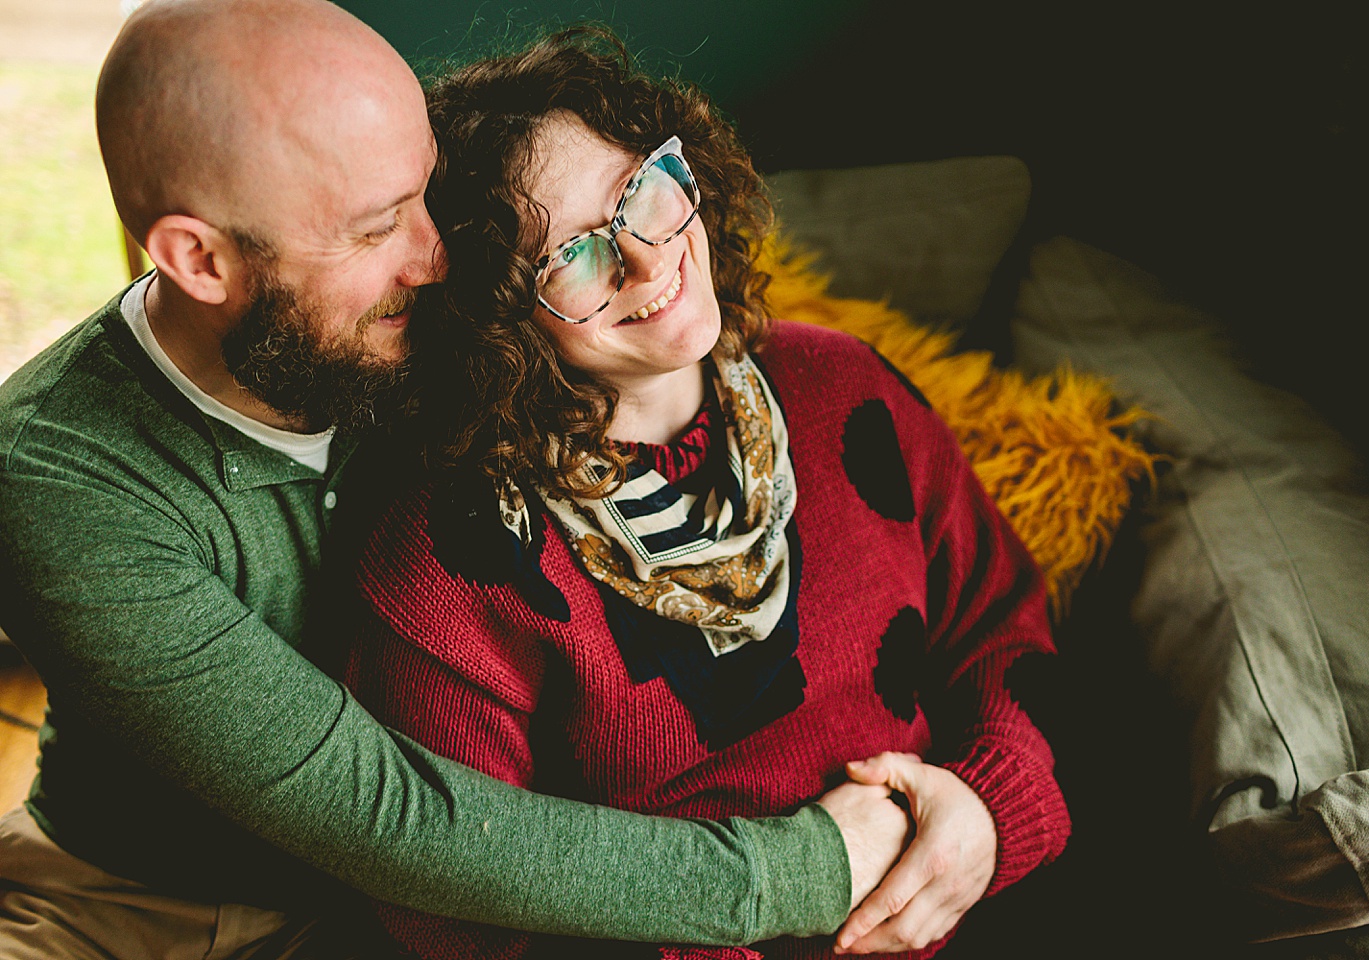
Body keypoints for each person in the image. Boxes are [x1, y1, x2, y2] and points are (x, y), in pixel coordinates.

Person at [0, 2, 911, 957]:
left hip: (439, 909)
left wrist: (966, 805)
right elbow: (386, 815)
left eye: (424, 194)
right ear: (200, 260)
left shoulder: (436, 313)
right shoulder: (60, 481)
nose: (438, 258)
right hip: (139, 902)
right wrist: (808, 871)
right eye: (376, 228)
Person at [341, 27, 1072, 960]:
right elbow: (451, 913)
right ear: (496, 319)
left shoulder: (848, 390)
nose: (648, 262)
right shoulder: (451, 566)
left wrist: (986, 813)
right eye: (572, 258)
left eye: (640, 193)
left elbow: (1006, 628)